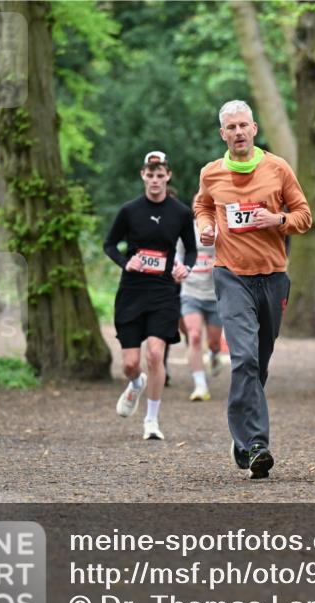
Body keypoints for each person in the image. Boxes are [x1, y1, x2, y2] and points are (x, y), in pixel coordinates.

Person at [194, 100, 312, 479]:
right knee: (243, 358)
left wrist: (276, 219)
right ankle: (256, 443)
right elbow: (203, 205)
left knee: (258, 364)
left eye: (244, 125)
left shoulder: (277, 168)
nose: (238, 132)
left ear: (255, 128)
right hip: (231, 276)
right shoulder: (211, 173)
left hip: (273, 276)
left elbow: (304, 217)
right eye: (231, 127)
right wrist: (206, 227)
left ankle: (242, 433)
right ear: (222, 133)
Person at [104, 151, 197, 440]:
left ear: (168, 176)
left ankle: (151, 421)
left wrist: (187, 267)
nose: (155, 180)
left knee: (155, 355)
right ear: (142, 176)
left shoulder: (181, 212)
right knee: (131, 364)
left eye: (160, 175)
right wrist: (125, 261)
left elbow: (191, 249)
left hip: (163, 292)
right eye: (150, 175)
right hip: (132, 292)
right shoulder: (130, 211)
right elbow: (109, 244)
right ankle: (135, 383)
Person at [175, 218, 226, 402]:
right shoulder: (187, 228)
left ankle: (214, 353)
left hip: (214, 295)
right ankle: (200, 385)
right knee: (194, 336)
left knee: (213, 342)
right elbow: (178, 254)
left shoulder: (222, 227)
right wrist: (179, 267)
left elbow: (232, 253)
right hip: (191, 292)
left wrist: (220, 263)